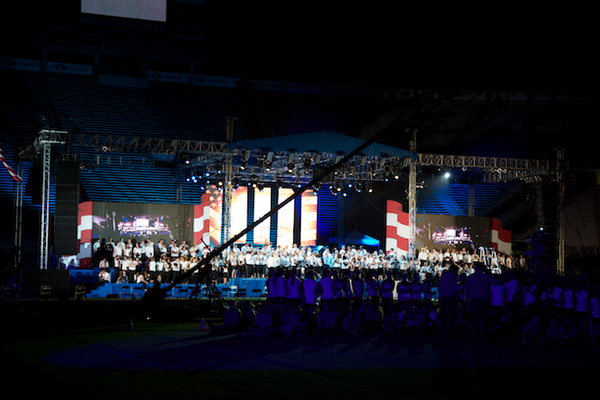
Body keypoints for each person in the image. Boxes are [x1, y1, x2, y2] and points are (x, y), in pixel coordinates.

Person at [464, 262, 498, 345]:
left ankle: (474, 338)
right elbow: (496, 283)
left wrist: (466, 302)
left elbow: (466, 291)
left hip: (473, 300)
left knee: (475, 320)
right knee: (483, 320)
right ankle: (483, 338)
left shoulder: (470, 278)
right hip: (483, 300)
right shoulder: (485, 277)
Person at [436, 264, 460, 342]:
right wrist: (457, 303)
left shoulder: (442, 278)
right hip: (450, 299)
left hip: (443, 299)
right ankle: (448, 337)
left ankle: (440, 336)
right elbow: (455, 292)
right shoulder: (452, 279)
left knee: (443, 319)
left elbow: (439, 289)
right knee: (450, 319)